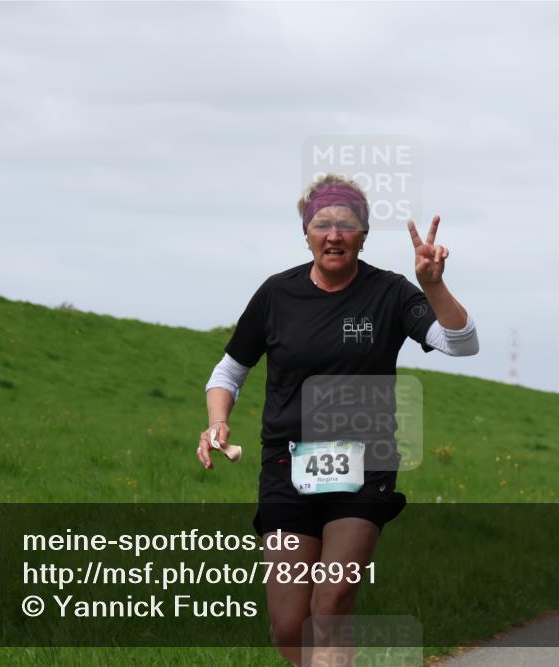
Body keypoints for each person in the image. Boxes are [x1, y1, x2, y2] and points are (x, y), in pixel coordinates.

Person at [197, 174, 479, 665]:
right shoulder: (276, 295)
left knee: (331, 603)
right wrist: (217, 421)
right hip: (286, 469)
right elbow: (230, 370)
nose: (333, 234)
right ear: (305, 232)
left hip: (364, 467)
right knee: (288, 625)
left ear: (363, 234)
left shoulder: (390, 293)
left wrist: (433, 286)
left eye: (346, 225)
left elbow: (461, 344)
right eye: (322, 224)